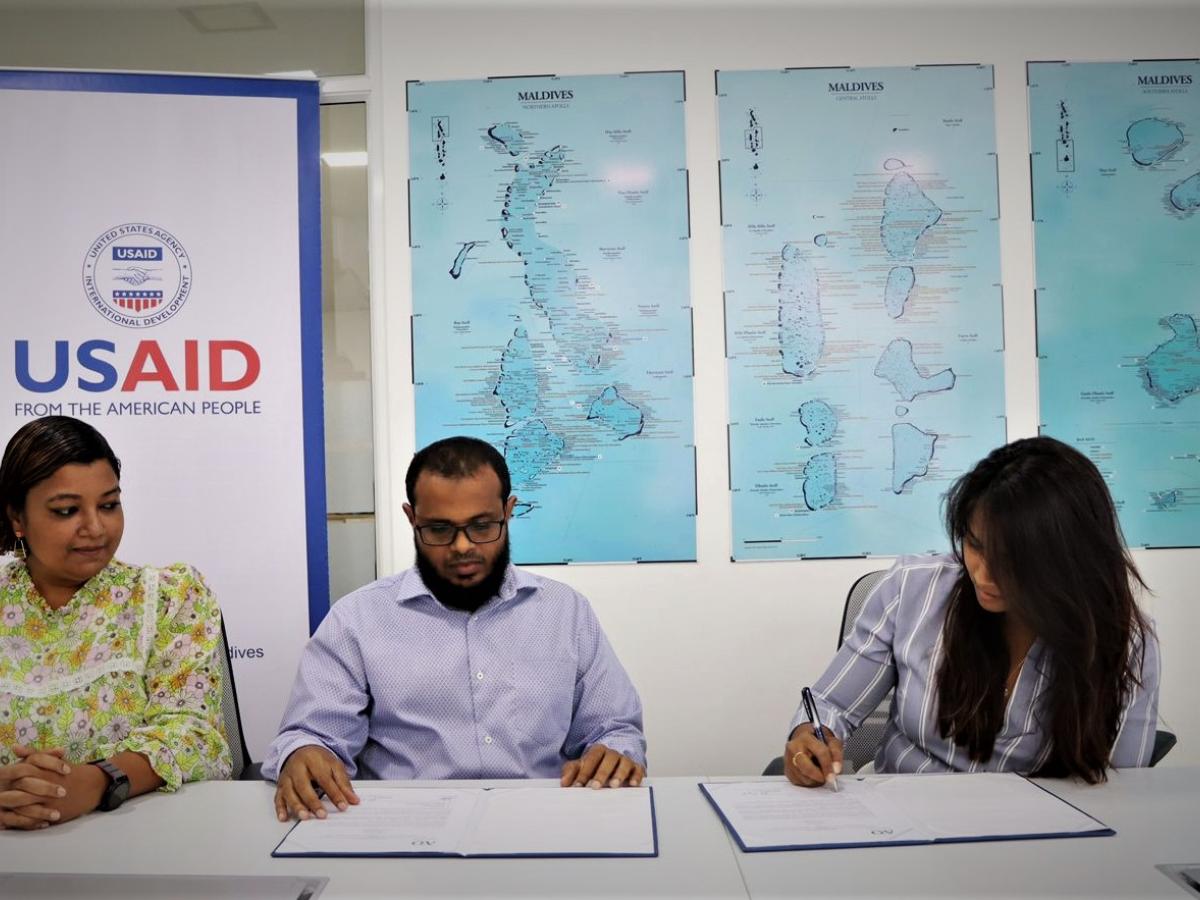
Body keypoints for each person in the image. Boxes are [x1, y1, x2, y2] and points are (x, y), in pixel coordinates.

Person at [264, 436, 646, 822]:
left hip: (541, 822)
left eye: (481, 526)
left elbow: (613, 728)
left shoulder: (566, 613)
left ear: (508, 511)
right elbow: (312, 735)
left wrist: (615, 752)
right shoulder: (357, 620)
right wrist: (304, 753)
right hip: (402, 829)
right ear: (412, 518)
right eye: (439, 529)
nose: (462, 546)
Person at [785, 436, 1160, 787]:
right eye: (976, 545)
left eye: (1013, 559)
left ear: (1068, 559)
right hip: (902, 816)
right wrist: (810, 736)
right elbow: (829, 704)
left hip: (1030, 837)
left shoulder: (1123, 641)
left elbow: (1124, 791)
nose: (983, 574)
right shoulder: (912, 589)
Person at [0, 416, 231, 830]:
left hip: (139, 840)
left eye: (109, 505)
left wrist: (97, 781)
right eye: (67, 510)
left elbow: (198, 738)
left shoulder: (167, 597)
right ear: (17, 517)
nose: (95, 527)